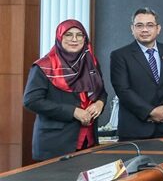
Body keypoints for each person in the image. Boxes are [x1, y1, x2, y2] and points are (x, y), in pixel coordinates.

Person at [23, 19, 107, 161]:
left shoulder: (91, 63)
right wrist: (73, 111)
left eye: (79, 35)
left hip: (88, 140)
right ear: (59, 37)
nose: (74, 39)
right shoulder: (44, 66)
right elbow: (31, 101)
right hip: (56, 144)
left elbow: (101, 92)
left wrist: (100, 103)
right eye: (68, 35)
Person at [109, 7, 163, 140]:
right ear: (132, 29)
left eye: (150, 25)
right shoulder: (120, 55)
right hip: (135, 130)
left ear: (158, 28)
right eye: (139, 25)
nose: (145, 30)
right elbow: (123, 90)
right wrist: (150, 112)